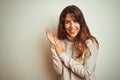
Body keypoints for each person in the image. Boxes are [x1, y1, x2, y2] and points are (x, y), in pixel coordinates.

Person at [46, 5, 99, 80]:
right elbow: (59, 71)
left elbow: (86, 74)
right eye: (67, 22)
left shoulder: (90, 43)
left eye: (75, 21)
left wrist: (63, 55)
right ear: (63, 25)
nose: (72, 26)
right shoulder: (61, 43)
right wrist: (55, 46)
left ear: (81, 23)